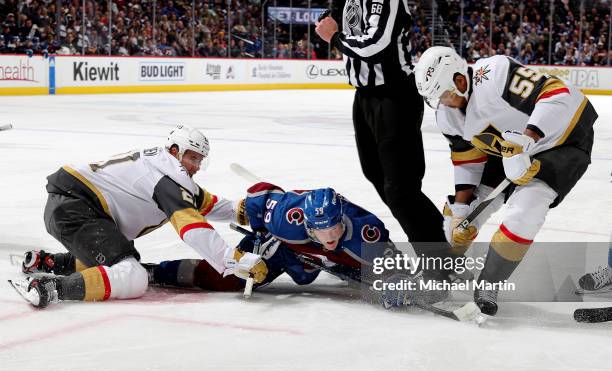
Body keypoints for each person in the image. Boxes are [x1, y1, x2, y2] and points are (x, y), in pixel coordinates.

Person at [413, 46, 597, 315]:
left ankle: (489, 283)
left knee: (526, 211)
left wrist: (528, 139)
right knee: (459, 220)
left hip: (562, 142)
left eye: (444, 95)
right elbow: (468, 159)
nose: (442, 103)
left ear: (459, 80)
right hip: (507, 147)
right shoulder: (448, 114)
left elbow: (558, 94)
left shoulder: (494, 73)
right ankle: (439, 273)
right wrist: (463, 210)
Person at [12, 125, 267, 308]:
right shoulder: (166, 178)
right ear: (175, 150)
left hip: (75, 204)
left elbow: (206, 203)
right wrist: (231, 259)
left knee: (117, 256)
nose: (196, 167)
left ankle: (47, 263)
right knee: (132, 275)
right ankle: (50, 288)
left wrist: (252, 209)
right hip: (76, 207)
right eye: (192, 158)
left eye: (200, 160)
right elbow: (191, 224)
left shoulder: (165, 169)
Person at [148, 183, 445, 307]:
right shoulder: (285, 217)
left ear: (343, 219)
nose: (330, 238)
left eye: (334, 229)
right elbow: (258, 196)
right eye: (321, 232)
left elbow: (395, 268)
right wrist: (264, 235)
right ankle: (156, 272)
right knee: (228, 279)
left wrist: (399, 285)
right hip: (283, 245)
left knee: (353, 273)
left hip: (326, 254)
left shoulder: (366, 234)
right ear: (306, 225)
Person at [314, 1, 448, 246]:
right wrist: (329, 23)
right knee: (376, 174)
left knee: (400, 188)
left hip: (395, 96)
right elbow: (336, 24)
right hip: (364, 96)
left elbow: (377, 45)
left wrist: (334, 37)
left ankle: (440, 261)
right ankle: (440, 244)